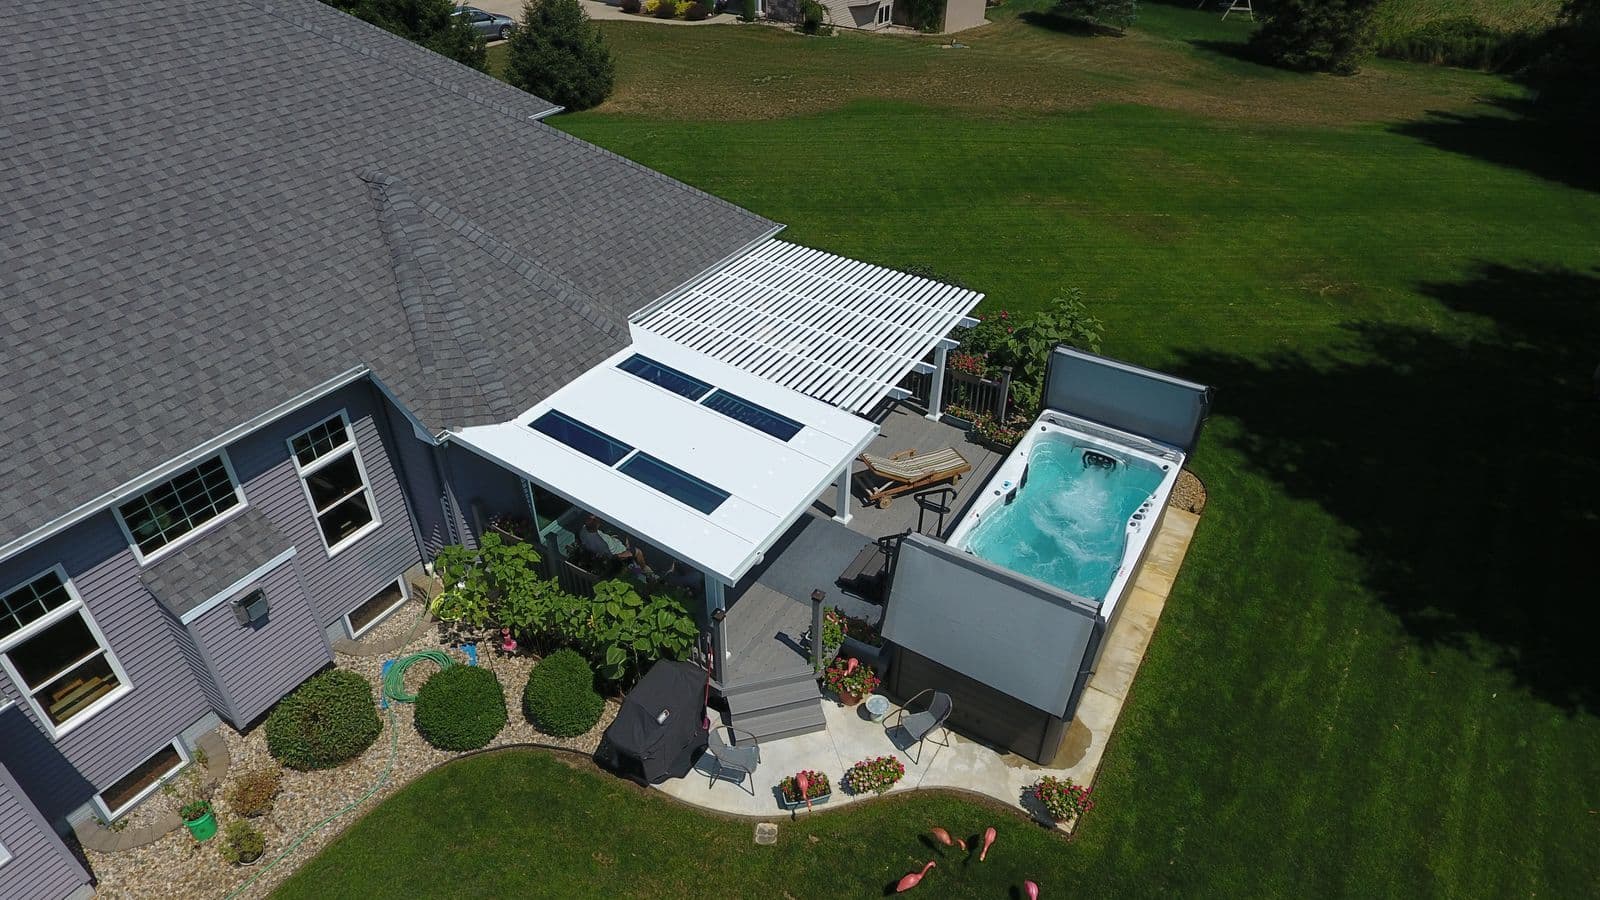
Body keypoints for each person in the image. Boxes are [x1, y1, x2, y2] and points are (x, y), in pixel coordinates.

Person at [580, 516, 648, 569]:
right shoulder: (602, 544)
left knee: (624, 534)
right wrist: (623, 554)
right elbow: (611, 557)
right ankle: (643, 569)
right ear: (597, 525)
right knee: (637, 552)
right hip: (620, 551)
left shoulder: (584, 530)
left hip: (614, 541)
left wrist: (611, 539)